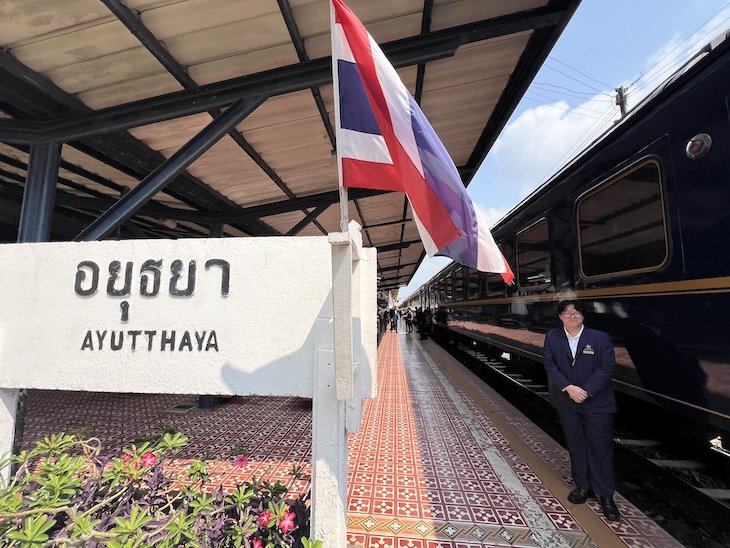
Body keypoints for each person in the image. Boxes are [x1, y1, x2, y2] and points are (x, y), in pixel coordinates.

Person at [542, 300, 620, 522]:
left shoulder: (599, 338)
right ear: (560, 317)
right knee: (576, 444)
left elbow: (607, 367)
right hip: (567, 401)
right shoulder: (553, 337)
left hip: (596, 402)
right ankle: (583, 486)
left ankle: (605, 495)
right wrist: (568, 387)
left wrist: (586, 391)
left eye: (576, 312)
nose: (572, 315)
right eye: (567, 312)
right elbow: (550, 365)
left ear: (583, 316)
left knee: (600, 447)